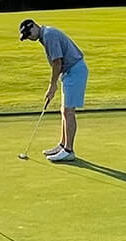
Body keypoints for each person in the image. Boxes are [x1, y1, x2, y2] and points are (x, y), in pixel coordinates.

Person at [18, 17, 88, 162]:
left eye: (28, 34)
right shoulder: (45, 36)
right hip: (69, 72)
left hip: (75, 70)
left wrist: (52, 85)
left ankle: (69, 150)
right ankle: (63, 145)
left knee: (69, 111)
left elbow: (57, 62)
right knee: (64, 110)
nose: (29, 38)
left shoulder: (49, 35)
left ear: (34, 26)